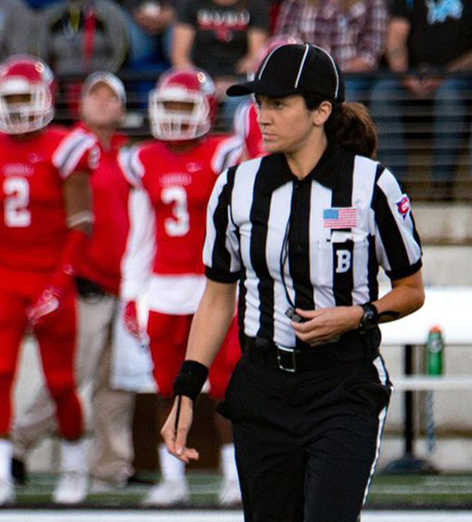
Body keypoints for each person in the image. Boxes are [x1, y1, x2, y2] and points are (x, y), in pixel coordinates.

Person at [161, 43, 425, 522]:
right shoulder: (235, 186)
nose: (263, 116)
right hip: (262, 387)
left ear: (322, 110)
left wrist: (359, 315)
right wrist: (187, 388)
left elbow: (411, 288)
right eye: (260, 103)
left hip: (342, 385)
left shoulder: (372, 185)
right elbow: (219, 297)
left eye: (279, 104)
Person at [0, 55, 99, 507]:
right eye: (10, 99)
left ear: (46, 98)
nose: (18, 108)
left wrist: (58, 286)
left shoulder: (66, 146)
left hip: (49, 277)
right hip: (5, 277)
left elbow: (81, 225)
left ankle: (76, 467)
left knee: (60, 383)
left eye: (25, 97)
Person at [119, 67, 244, 506]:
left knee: (225, 383)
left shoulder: (222, 154)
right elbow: (140, 235)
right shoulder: (143, 159)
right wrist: (133, 294)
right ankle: (172, 476)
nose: (174, 116)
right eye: (168, 105)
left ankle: (234, 475)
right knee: (166, 386)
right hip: (164, 286)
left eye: (183, 105)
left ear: (206, 109)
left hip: (214, 285)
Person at [10, 72, 140, 491]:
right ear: (80, 105)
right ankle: (17, 444)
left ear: (122, 108)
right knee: (69, 375)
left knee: (117, 383)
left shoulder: (129, 155)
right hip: (84, 280)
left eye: (111, 98)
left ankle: (112, 466)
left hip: (127, 283)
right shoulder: (67, 150)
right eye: (94, 96)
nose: (103, 104)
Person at [368, 0, 472, 197]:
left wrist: (445, 73)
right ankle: (395, 186)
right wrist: (405, 76)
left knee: (448, 95)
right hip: (412, 75)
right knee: (382, 93)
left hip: (459, 78)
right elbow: (395, 39)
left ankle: (441, 186)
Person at [172, 0, 270, 126]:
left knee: (237, 101)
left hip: (239, 80)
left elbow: (256, 57)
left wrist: (231, 83)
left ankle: (237, 143)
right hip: (202, 78)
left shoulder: (255, 5)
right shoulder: (191, 4)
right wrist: (204, 85)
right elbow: (179, 56)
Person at [274, 0, 388, 102]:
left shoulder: (372, 2)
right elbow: (285, 40)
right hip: (306, 75)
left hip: (350, 76)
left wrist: (335, 77)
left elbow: (372, 48)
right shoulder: (296, 3)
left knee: (343, 96)